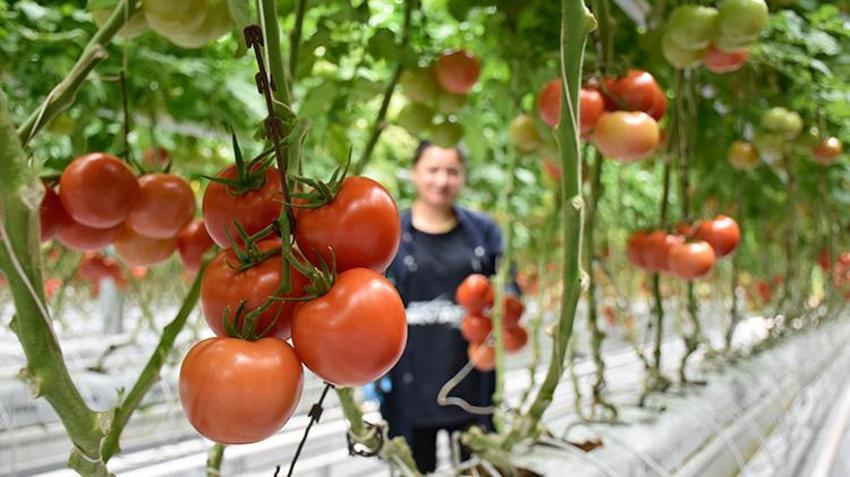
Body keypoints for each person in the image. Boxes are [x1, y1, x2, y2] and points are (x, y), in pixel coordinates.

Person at [380, 140, 517, 473]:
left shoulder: (483, 232)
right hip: (409, 384)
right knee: (413, 467)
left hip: (471, 385)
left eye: (451, 171)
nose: (442, 180)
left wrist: (503, 306)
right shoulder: (391, 234)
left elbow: (509, 289)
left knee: (479, 469)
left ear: (463, 177)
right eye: (433, 170)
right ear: (414, 173)